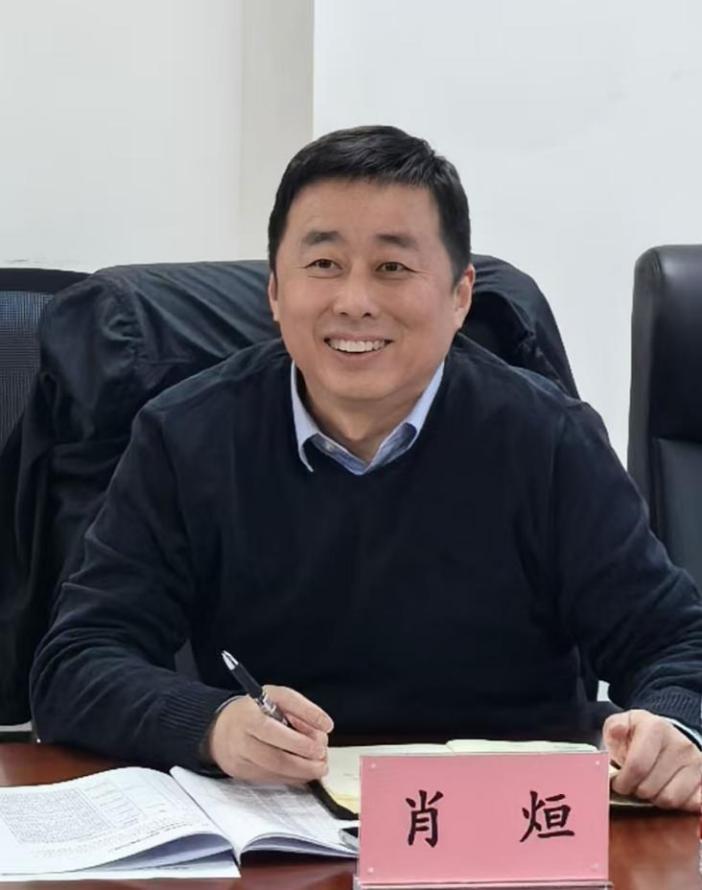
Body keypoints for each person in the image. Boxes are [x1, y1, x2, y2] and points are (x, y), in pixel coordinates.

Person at [30, 125, 702, 812]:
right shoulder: (188, 435)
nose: (354, 301)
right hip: (281, 824)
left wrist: (675, 728)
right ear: (275, 292)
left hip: (508, 823)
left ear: (460, 295)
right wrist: (212, 724)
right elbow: (77, 662)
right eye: (323, 264)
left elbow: (677, 642)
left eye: (393, 268)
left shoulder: (547, 439)